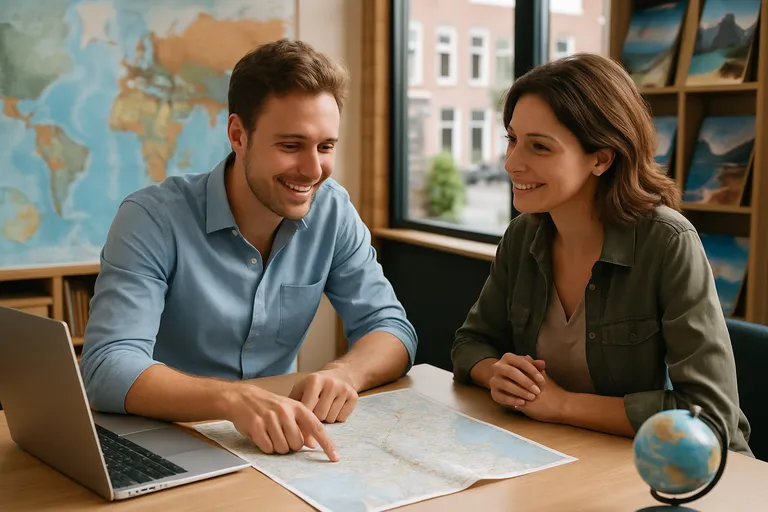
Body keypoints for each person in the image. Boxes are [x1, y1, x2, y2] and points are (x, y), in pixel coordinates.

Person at [80, 39, 418, 462]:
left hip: (278, 449)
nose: (313, 170)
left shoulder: (334, 210)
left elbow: (391, 328)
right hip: (163, 440)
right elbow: (107, 365)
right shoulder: (151, 217)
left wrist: (344, 373)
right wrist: (231, 400)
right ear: (238, 135)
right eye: (291, 146)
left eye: (325, 147)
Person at [451, 53, 752, 455]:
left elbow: (708, 416)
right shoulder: (522, 236)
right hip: (565, 454)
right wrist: (497, 375)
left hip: (688, 469)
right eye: (512, 139)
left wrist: (562, 405)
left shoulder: (668, 242)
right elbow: (471, 343)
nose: (511, 163)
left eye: (539, 147)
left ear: (601, 158)